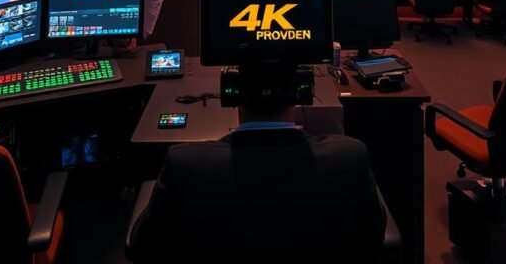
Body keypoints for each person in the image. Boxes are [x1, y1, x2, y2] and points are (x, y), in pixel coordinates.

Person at [128, 61, 386, 253]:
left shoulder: (184, 164)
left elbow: (143, 246)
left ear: (232, 95)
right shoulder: (350, 157)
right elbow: (372, 237)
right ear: (301, 93)